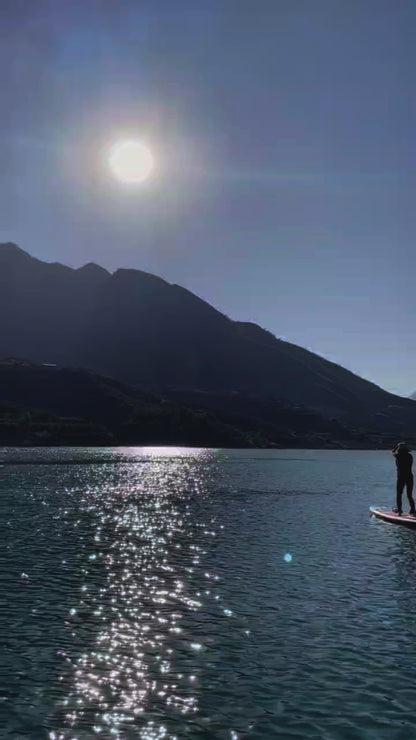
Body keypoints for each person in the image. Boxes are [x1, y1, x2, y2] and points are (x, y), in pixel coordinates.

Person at [392, 442, 415, 516]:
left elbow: (393, 452)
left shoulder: (398, 456)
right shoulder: (410, 456)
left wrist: (396, 447)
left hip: (401, 477)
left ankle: (399, 510)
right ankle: (413, 510)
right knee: (409, 495)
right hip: (409, 476)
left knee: (399, 494)